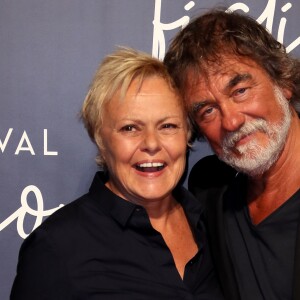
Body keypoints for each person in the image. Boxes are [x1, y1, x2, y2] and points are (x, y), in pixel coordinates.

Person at [10, 47, 223, 300]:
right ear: (100, 138)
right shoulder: (56, 249)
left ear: (187, 133)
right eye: (130, 128)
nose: (152, 144)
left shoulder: (214, 223)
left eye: (168, 126)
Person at [164, 8, 300, 300]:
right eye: (208, 110)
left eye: (239, 90)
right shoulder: (210, 190)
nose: (231, 121)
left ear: (284, 81)